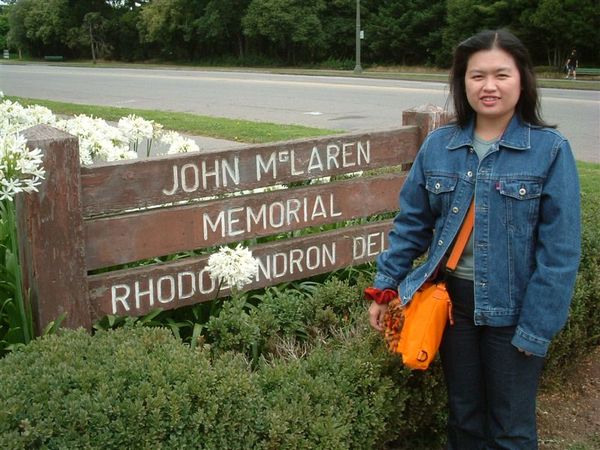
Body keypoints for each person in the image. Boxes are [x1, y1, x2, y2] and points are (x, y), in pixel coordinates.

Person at [367, 29, 581, 449]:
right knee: (464, 419)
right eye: (476, 76)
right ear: (462, 83)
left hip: (516, 310)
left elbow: (559, 254)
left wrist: (536, 328)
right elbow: (412, 225)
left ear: (522, 80)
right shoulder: (439, 147)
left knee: (511, 428)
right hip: (454, 309)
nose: (489, 86)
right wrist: (385, 287)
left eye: (501, 75)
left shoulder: (550, 150)